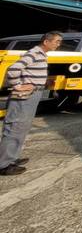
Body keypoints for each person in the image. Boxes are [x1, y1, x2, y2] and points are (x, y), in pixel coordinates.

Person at [0, 31, 62, 176]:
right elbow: (13, 70)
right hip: (25, 96)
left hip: (32, 94)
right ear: (46, 41)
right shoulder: (34, 53)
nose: (58, 44)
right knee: (15, 127)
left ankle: (12, 158)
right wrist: (18, 86)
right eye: (57, 41)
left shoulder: (41, 54)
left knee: (22, 127)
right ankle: (3, 164)